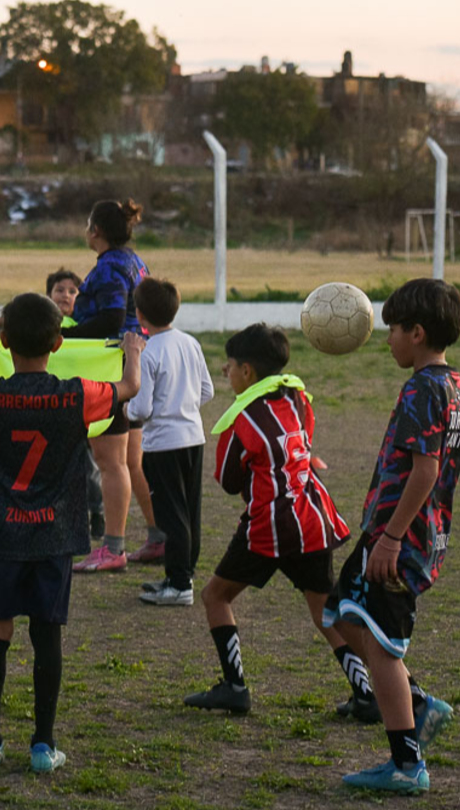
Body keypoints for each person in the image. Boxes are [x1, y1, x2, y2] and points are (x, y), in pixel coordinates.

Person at [0, 293, 144, 774]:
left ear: (3, 341)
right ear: (59, 342)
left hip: (1, 532)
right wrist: (133, 351)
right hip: (55, 532)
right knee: (47, 634)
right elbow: (128, 387)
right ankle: (43, 745)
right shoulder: (76, 393)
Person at [323, 279, 460, 794]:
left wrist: (392, 539)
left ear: (417, 333)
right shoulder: (456, 387)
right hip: (398, 534)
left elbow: (425, 471)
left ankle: (406, 763)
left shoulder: (424, 389)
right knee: (340, 612)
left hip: (400, 538)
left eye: (394, 331)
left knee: (381, 645)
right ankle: (418, 702)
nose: (388, 341)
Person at [184, 324, 374, 721]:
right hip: (311, 519)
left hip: (269, 525)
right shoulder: (298, 399)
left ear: (248, 372)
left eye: (230, 366)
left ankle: (234, 687)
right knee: (326, 611)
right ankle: (366, 693)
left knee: (215, 596)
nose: (226, 371)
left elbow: (228, 480)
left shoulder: (242, 421)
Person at [66, 201, 160, 573]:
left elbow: (108, 317)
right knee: (132, 462)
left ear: (96, 231)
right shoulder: (135, 261)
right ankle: (158, 537)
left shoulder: (108, 268)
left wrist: (63, 336)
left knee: (111, 462)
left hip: (112, 367)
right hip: (135, 361)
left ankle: (113, 548)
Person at [127, 278, 214, 606]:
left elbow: (142, 408)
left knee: (170, 516)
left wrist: (125, 407)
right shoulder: (190, 343)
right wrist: (183, 406)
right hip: (193, 437)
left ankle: (179, 586)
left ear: (139, 314)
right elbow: (207, 391)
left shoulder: (147, 353)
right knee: (190, 511)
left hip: (162, 444)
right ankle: (182, 575)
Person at [48, 267, 103, 540]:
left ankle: (97, 511)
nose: (65, 296)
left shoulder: (86, 329)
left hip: (80, 405)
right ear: (48, 294)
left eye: (72, 291)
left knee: (88, 466)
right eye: (59, 290)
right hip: (50, 406)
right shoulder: (44, 328)